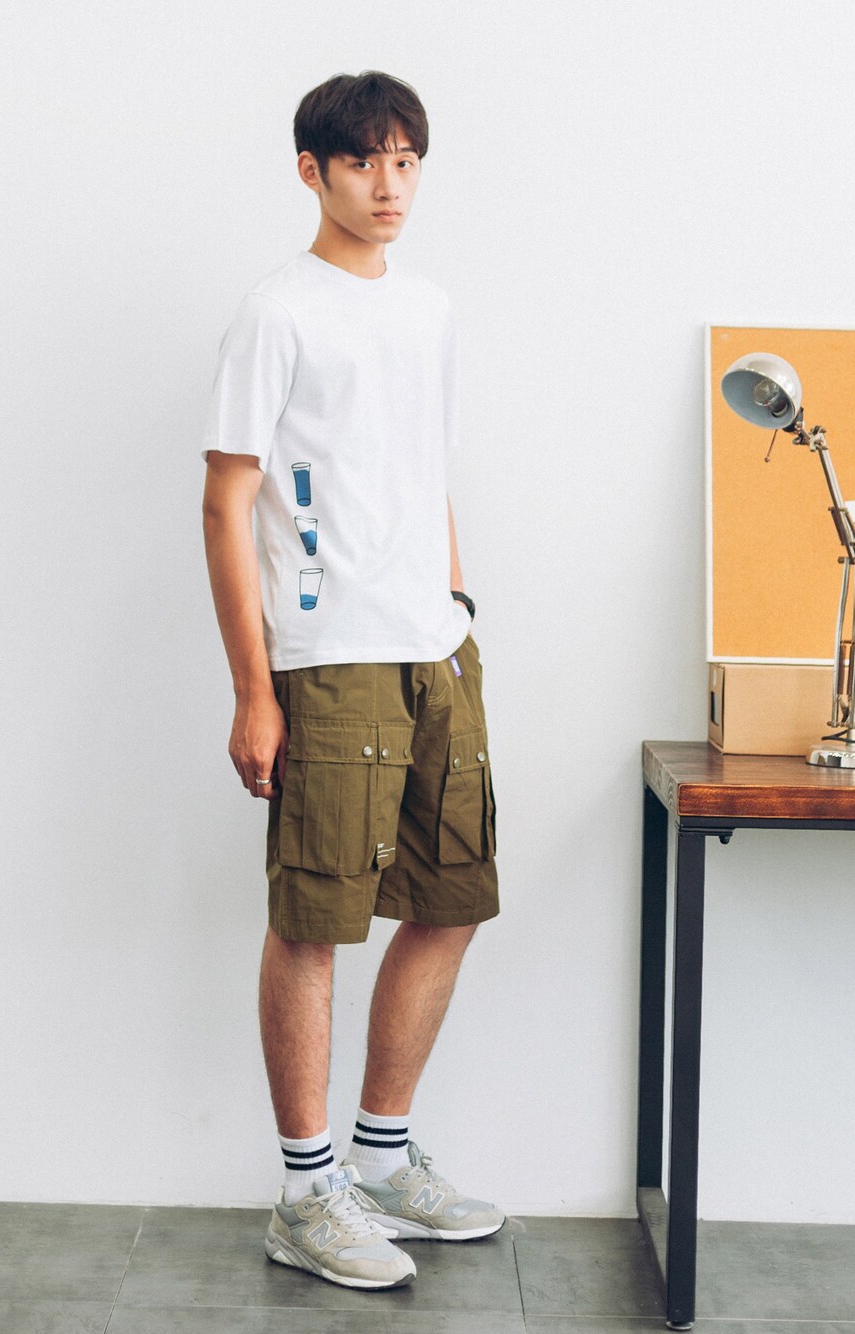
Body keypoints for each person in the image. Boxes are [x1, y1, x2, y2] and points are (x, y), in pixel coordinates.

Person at [201, 70, 503, 1291]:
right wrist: (254, 687)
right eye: (364, 160)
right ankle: (304, 1189)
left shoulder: (429, 307)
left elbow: (425, 468)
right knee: (315, 919)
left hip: (435, 649)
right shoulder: (278, 313)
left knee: (452, 897)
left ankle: (380, 1155)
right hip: (326, 662)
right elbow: (226, 501)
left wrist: (456, 605)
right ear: (311, 171)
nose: (388, 185)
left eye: (405, 160)